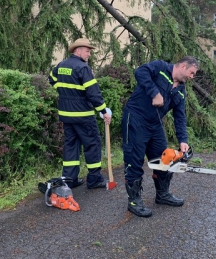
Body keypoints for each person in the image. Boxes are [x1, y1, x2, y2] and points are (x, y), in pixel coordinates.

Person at [121, 56, 199, 218]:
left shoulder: (181, 90)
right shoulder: (160, 68)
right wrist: (154, 92)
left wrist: (183, 140)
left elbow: (180, 117)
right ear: (183, 66)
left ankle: (162, 194)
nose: (192, 77)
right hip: (136, 118)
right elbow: (140, 72)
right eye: (191, 72)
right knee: (134, 160)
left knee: (164, 159)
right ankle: (134, 202)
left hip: (155, 124)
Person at [48, 38, 112, 189]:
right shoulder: (83, 68)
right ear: (78, 50)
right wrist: (103, 111)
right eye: (87, 51)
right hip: (83, 115)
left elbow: (51, 79)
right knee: (92, 144)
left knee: (71, 146)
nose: (89, 54)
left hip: (66, 115)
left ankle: (70, 179)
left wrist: (64, 92)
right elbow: (93, 94)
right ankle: (94, 179)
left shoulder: (61, 65)